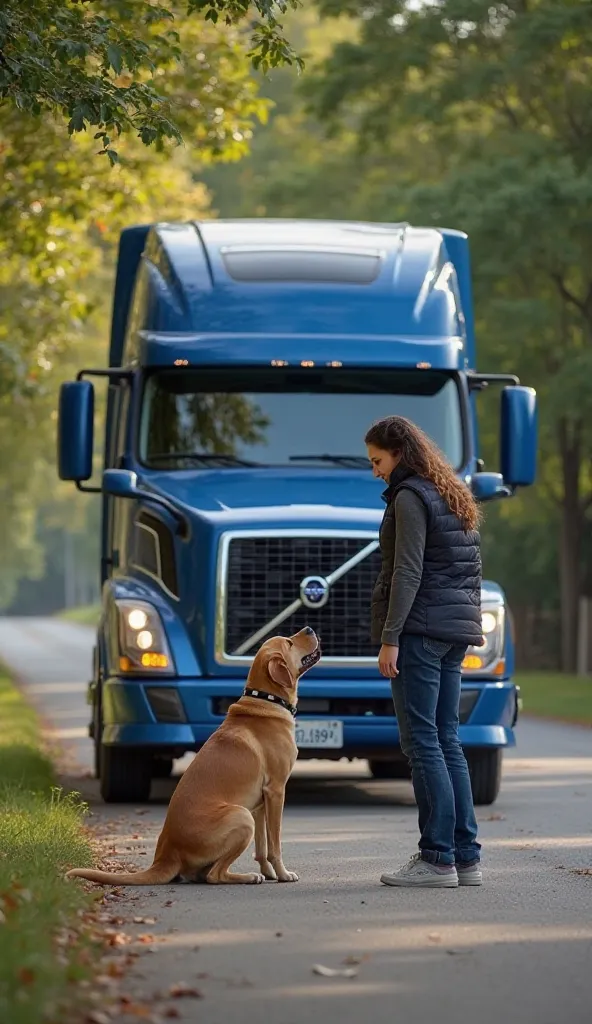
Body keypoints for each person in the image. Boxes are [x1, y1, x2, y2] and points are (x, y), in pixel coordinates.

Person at [365, 415, 483, 888]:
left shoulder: (411, 496)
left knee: (422, 743)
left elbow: (407, 573)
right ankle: (464, 857)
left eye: (377, 461)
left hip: (420, 631)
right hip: (453, 630)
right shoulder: (450, 493)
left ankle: (436, 858)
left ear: (398, 454)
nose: (375, 471)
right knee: (447, 739)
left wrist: (390, 636)